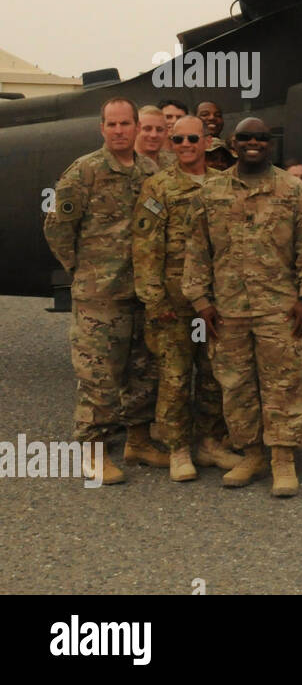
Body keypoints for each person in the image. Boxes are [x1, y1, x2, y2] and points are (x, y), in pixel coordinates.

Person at [183, 118, 302, 497]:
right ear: (233, 142)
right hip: (229, 310)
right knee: (236, 386)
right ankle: (251, 453)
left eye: (261, 137)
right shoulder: (211, 193)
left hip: (279, 308)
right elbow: (197, 252)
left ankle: (282, 459)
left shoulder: (293, 192)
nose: (253, 143)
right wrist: (201, 302)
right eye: (245, 137)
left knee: (284, 383)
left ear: (269, 143)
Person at [44, 98, 163, 485]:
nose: (118, 130)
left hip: (142, 292)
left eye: (125, 124)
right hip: (100, 296)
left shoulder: (150, 171)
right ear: (102, 128)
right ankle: (93, 452)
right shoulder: (85, 172)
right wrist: (80, 269)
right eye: (111, 124)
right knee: (99, 376)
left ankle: (138, 440)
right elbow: (57, 227)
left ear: (135, 126)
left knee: (143, 371)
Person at [133, 114, 240, 481]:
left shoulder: (224, 184)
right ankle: (178, 448)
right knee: (175, 377)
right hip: (175, 306)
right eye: (178, 140)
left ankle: (209, 441)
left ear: (206, 140)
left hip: (216, 301)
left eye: (192, 139)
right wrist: (155, 302)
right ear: (171, 144)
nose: (185, 146)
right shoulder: (158, 188)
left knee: (213, 375)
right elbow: (145, 249)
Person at [197, 101, 236, 170]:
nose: (212, 118)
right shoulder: (186, 148)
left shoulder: (232, 148)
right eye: (205, 114)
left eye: (218, 115)